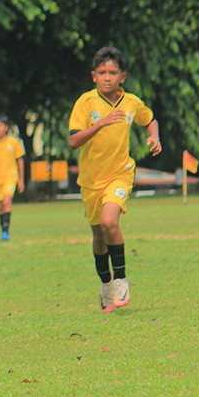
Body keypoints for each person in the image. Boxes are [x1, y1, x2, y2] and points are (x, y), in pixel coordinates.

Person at [68, 47, 161, 313]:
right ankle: (106, 283)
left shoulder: (131, 102)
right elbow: (74, 141)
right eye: (102, 73)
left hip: (120, 173)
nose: (107, 77)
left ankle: (121, 279)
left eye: (113, 73)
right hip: (91, 180)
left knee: (110, 221)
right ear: (94, 76)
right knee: (98, 235)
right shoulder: (85, 103)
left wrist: (155, 137)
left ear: (122, 76)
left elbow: (150, 119)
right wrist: (101, 123)